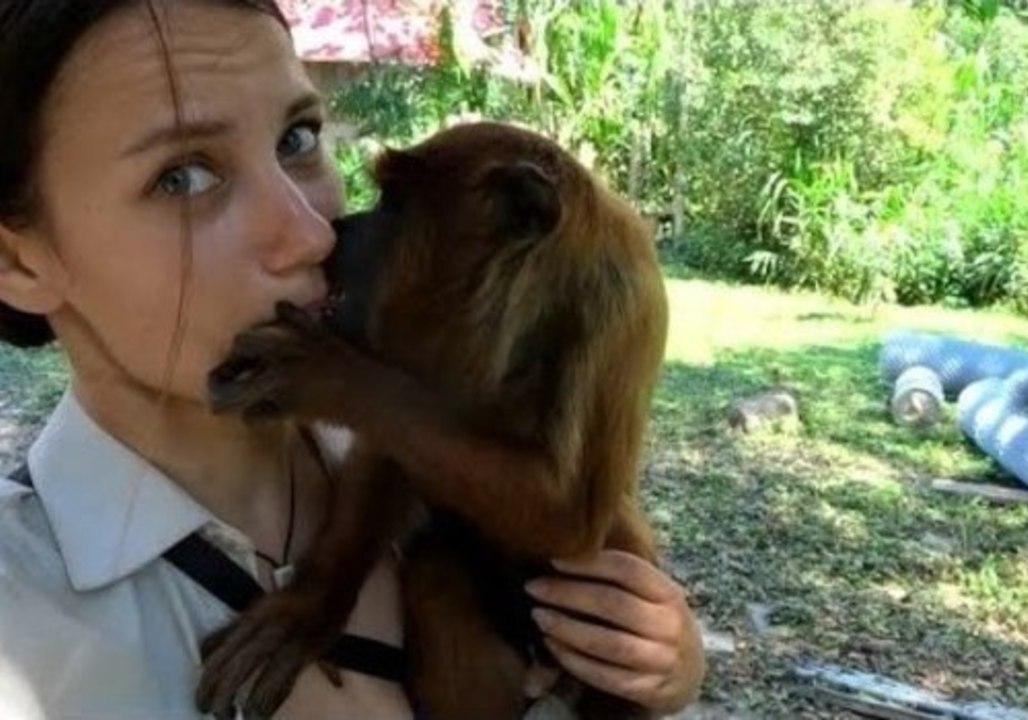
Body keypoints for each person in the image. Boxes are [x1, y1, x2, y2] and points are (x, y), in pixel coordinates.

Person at [0, 1, 706, 718]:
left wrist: (662, 665)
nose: (312, 233)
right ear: (15, 259)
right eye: (182, 177)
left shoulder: (405, 418)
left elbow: (567, 511)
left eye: (298, 138)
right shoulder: (23, 625)